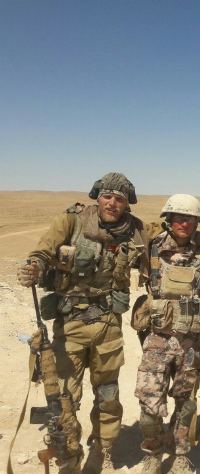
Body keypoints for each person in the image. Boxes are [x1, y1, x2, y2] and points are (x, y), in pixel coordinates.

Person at [17, 173, 149, 474]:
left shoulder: (136, 230)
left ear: (127, 203)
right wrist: (34, 267)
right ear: (97, 197)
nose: (112, 203)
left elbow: (174, 235)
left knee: (108, 395)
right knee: (64, 396)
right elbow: (43, 250)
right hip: (70, 324)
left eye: (119, 199)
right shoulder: (72, 221)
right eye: (107, 196)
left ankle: (103, 450)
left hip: (108, 324)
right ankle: (69, 455)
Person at [133, 194, 200, 474]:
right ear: (168, 219)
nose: (184, 223)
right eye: (178, 217)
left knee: (186, 404)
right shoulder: (152, 248)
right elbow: (136, 228)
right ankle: (153, 453)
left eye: (190, 219)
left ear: (196, 223)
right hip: (157, 342)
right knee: (149, 406)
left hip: (192, 345)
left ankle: (180, 454)